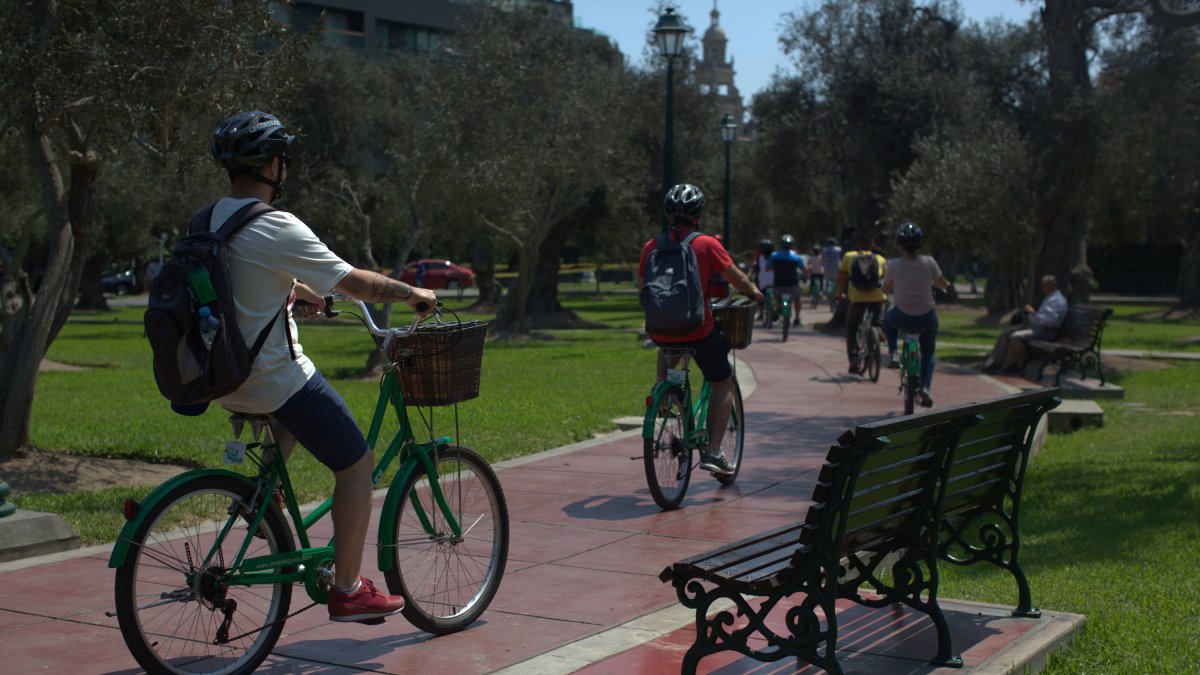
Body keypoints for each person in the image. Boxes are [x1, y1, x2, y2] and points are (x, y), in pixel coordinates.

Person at [207, 111, 437, 624]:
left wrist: (290, 291)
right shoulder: (274, 224)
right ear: (273, 165)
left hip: (224, 378)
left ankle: (259, 506)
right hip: (273, 379)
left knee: (288, 429)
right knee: (356, 467)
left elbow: (235, 283)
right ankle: (350, 589)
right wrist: (412, 292)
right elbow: (354, 283)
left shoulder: (210, 219)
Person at [639, 183, 763, 476]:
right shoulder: (706, 244)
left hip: (659, 329)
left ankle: (662, 389)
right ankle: (714, 452)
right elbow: (738, 279)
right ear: (698, 215)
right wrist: (754, 292)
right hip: (699, 330)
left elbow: (642, 288)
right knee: (723, 382)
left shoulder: (651, 246)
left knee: (668, 345)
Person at [881, 222, 950, 407]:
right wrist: (945, 286)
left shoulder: (894, 264)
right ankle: (925, 388)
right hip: (926, 316)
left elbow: (886, 288)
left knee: (888, 318)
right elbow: (941, 282)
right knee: (928, 351)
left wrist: (886, 289)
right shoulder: (929, 262)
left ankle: (894, 352)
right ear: (920, 243)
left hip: (901, 315)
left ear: (899, 244)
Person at [984, 274, 1068, 372]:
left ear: (1052, 285)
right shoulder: (1049, 298)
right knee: (1006, 333)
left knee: (1016, 336)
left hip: (1046, 331)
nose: (1042, 288)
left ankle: (1015, 365)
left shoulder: (1057, 300)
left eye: (1044, 285)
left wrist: (1033, 314)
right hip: (1036, 327)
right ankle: (996, 362)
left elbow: (1050, 321)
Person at [836, 230, 887, 374]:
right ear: (872, 245)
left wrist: (839, 294)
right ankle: (878, 330)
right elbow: (885, 280)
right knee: (878, 319)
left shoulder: (849, 256)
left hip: (857, 298)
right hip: (877, 298)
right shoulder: (880, 259)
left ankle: (854, 359)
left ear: (858, 244)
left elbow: (842, 278)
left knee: (852, 327)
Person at [768, 234, 807, 327]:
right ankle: (797, 318)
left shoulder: (774, 256)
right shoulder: (796, 257)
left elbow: (767, 268)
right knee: (798, 298)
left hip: (778, 286)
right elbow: (804, 270)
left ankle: (778, 308)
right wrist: (805, 276)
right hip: (793, 286)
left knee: (776, 296)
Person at [753, 239, 775, 320]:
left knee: (759, 297)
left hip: (762, 282)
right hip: (774, 282)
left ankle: (761, 313)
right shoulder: (775, 257)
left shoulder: (760, 258)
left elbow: (756, 269)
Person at [820, 236, 842, 303]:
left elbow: (822, 260)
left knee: (827, 282)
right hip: (837, 270)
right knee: (838, 283)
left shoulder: (824, 250)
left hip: (827, 271)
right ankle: (838, 294)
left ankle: (828, 293)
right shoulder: (838, 249)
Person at [807, 244, 824, 308]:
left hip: (815, 273)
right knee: (820, 283)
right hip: (819, 273)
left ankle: (811, 292)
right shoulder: (821, 257)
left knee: (812, 283)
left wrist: (809, 268)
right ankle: (821, 292)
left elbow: (808, 265)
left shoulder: (812, 257)